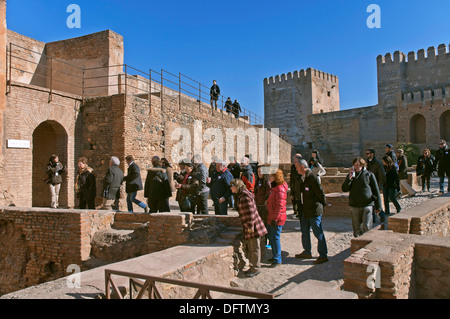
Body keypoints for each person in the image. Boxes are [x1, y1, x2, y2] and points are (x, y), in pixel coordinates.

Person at [230, 178, 267, 278]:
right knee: (251, 247)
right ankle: (252, 266)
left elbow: (251, 213)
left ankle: (255, 268)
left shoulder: (244, 196)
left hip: (253, 226)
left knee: (254, 248)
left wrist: (250, 228)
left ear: (237, 186)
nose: (230, 188)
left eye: (232, 186)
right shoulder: (241, 195)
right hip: (250, 226)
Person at [294, 160, 329, 264]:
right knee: (304, 231)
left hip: (313, 210)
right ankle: (307, 251)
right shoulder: (303, 177)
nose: (296, 169)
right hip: (305, 210)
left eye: (297, 167)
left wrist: (323, 204)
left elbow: (320, 192)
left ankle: (323, 255)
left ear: (302, 167)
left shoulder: (312, 177)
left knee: (318, 233)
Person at [342, 157, 382, 237]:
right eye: (355, 165)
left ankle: (366, 244)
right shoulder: (350, 176)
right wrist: (349, 179)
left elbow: (376, 191)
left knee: (367, 227)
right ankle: (358, 245)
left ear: (363, 165)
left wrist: (378, 206)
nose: (357, 167)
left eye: (359, 165)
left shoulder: (369, 174)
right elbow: (344, 188)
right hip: (354, 205)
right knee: (357, 228)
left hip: (367, 204)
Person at [266, 169, 288, 267]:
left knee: (275, 238)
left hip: (277, 218)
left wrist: (275, 219)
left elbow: (280, 205)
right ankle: (275, 256)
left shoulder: (280, 189)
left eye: (271, 176)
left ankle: (277, 259)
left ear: (275, 177)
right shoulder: (274, 188)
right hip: (272, 217)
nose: (269, 178)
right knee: (272, 238)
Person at [365, 148, 386, 222]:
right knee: (371, 203)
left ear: (372, 154)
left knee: (377, 203)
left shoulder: (377, 163)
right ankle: (373, 219)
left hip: (375, 186)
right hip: (368, 186)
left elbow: (382, 175)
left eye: (367, 153)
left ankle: (381, 215)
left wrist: (380, 186)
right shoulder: (366, 163)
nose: (366, 155)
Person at [254, 165, 272, 248]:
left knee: (265, 224)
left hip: (264, 206)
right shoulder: (258, 181)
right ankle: (262, 241)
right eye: (258, 172)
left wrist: (265, 202)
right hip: (258, 205)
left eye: (260, 172)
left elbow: (268, 194)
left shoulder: (267, 182)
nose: (259, 173)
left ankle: (267, 242)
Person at [290, 154, 303, 220]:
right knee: (295, 199)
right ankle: (297, 212)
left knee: (300, 201)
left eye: (294, 159)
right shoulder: (293, 166)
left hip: (300, 187)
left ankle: (300, 216)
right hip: (295, 184)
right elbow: (292, 176)